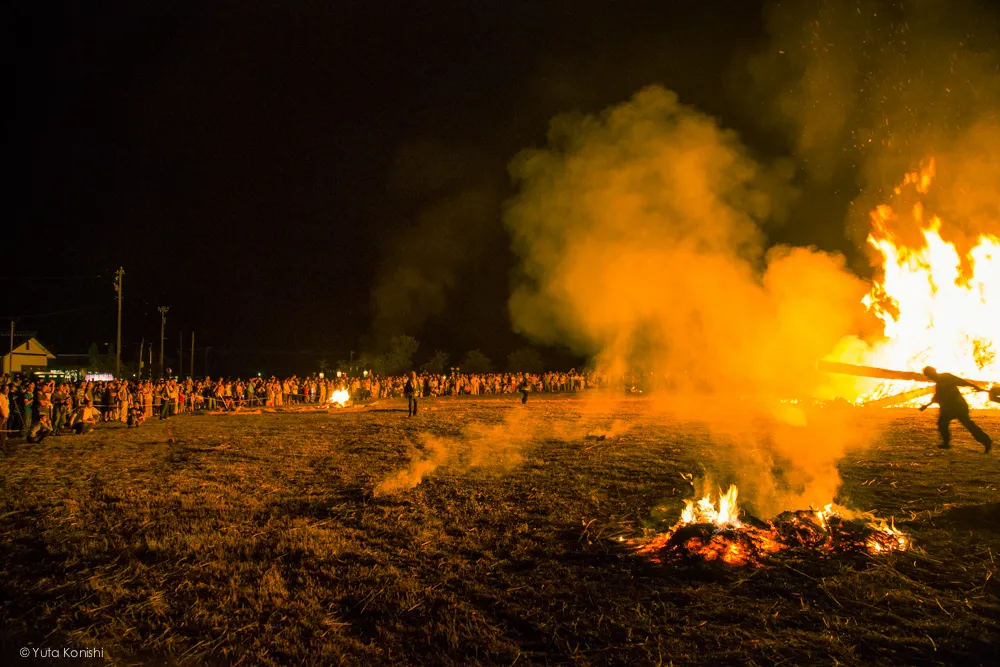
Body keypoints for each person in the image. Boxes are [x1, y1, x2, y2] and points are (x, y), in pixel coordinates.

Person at [919, 366, 992, 453]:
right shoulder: (939, 383)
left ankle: (986, 441)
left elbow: (961, 381)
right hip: (949, 408)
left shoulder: (946, 377)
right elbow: (937, 397)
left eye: (929, 375)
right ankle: (946, 443)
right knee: (942, 423)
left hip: (958, 407)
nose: (929, 377)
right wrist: (927, 405)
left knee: (967, 425)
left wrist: (974, 386)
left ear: (933, 373)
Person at [0, 384, 10, 450]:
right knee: (1, 430)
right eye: (6, 389)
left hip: (5, 416)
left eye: (8, 389)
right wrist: (3, 415)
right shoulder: (0, 396)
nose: (8, 391)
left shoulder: (6, 396)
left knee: (4, 431)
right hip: (1, 416)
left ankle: (3, 444)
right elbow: (0, 407)